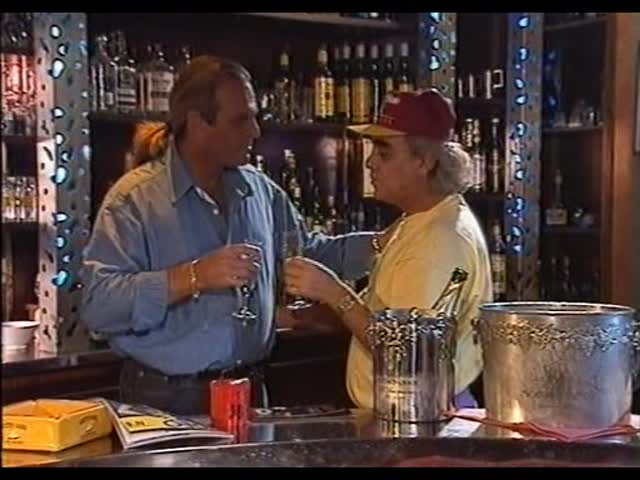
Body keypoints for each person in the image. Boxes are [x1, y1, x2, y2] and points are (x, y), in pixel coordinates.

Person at [80, 56, 374, 415]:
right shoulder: (134, 201)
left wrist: (387, 242)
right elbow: (99, 307)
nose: (256, 132)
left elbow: (311, 254)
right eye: (241, 120)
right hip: (166, 400)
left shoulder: (259, 191)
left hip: (250, 393)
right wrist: (194, 276)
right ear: (197, 124)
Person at [283, 89, 493, 409]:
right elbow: (382, 313)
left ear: (423, 162)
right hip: (412, 410)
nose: (370, 163)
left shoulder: (438, 242)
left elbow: (408, 352)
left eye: (384, 153)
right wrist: (298, 316)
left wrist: (334, 292)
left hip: (424, 415)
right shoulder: (420, 220)